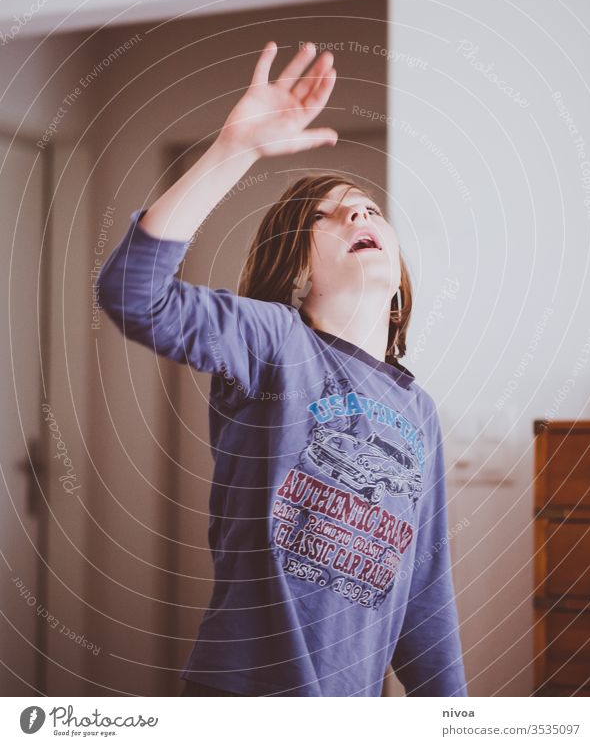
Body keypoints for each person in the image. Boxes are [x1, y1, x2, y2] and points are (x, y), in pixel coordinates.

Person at [97, 40, 468, 698]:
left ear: (400, 277)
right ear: (298, 271)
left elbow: (426, 595)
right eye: (327, 215)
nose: (358, 211)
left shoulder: (420, 411)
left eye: (371, 209)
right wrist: (233, 150)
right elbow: (134, 294)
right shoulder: (275, 343)